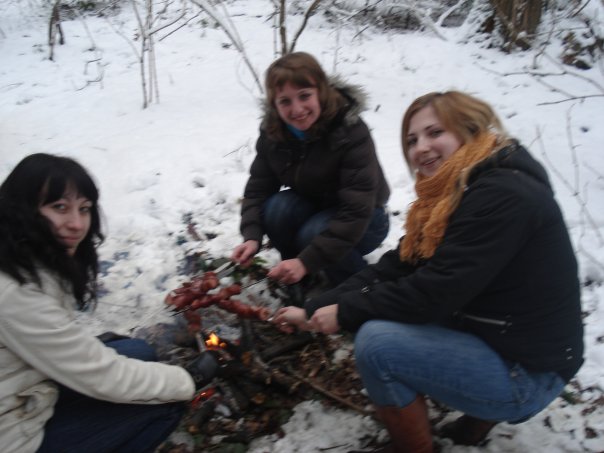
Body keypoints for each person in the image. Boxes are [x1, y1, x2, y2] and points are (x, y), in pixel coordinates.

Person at [273, 91, 584, 452]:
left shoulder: (501, 195)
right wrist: (315, 309)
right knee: (390, 311)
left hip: (529, 372)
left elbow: (434, 292)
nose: (421, 148)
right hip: (505, 337)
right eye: (412, 140)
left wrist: (344, 312)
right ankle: (472, 427)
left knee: (377, 344)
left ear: (468, 129)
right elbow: (398, 267)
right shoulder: (457, 191)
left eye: (435, 133)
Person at [0, 153, 217, 453]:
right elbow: (105, 377)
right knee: (165, 404)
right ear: (21, 208)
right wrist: (188, 379)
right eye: (59, 207)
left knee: (138, 351)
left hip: (26, 389)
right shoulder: (16, 293)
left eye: (84, 209)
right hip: (14, 436)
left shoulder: (22, 260)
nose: (77, 224)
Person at [231, 52, 390, 301]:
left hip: (366, 220)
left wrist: (307, 260)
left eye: (305, 96)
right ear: (274, 104)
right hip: (316, 208)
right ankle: (296, 276)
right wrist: (251, 236)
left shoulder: (350, 131)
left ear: (321, 92)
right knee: (277, 208)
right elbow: (258, 188)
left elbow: (356, 210)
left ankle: (359, 292)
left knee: (314, 232)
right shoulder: (274, 132)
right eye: (285, 101)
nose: (297, 109)